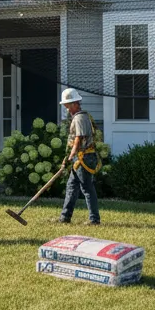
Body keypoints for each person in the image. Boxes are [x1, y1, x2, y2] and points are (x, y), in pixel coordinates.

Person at [57, 89, 101, 226]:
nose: (66, 108)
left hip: (84, 158)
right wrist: (68, 157)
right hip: (78, 158)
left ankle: (94, 220)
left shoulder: (80, 118)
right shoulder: (77, 117)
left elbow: (78, 139)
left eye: (68, 105)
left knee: (87, 188)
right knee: (71, 186)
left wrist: (71, 155)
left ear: (76, 103)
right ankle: (65, 217)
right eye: (65, 105)